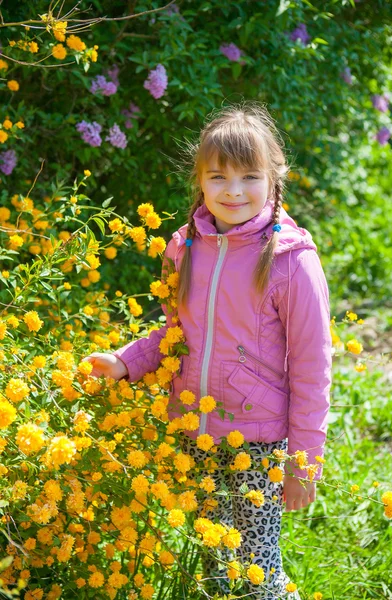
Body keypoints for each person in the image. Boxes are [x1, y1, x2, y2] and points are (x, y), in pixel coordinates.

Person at [83, 102, 332, 600]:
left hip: (258, 444)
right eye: (218, 176)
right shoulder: (185, 248)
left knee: (259, 574)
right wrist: (125, 361)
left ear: (274, 177)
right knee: (216, 567)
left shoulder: (291, 262)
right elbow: (174, 335)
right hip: (196, 433)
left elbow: (313, 369)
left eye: (249, 176)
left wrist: (303, 464)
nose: (233, 191)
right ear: (199, 180)